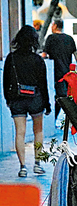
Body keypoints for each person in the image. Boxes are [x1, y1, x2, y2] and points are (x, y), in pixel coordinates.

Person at [3, 25, 50, 177]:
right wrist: (47, 103)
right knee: (38, 131)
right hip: (35, 98)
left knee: (20, 133)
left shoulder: (11, 58)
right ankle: (37, 164)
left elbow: (5, 81)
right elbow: (43, 84)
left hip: (17, 99)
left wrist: (8, 99)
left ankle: (23, 167)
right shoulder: (37, 60)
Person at [42, 19, 77, 123]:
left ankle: (57, 119)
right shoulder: (69, 39)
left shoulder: (50, 38)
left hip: (55, 72)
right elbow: (76, 55)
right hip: (68, 73)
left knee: (60, 97)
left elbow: (44, 55)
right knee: (65, 96)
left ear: (54, 26)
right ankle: (70, 119)